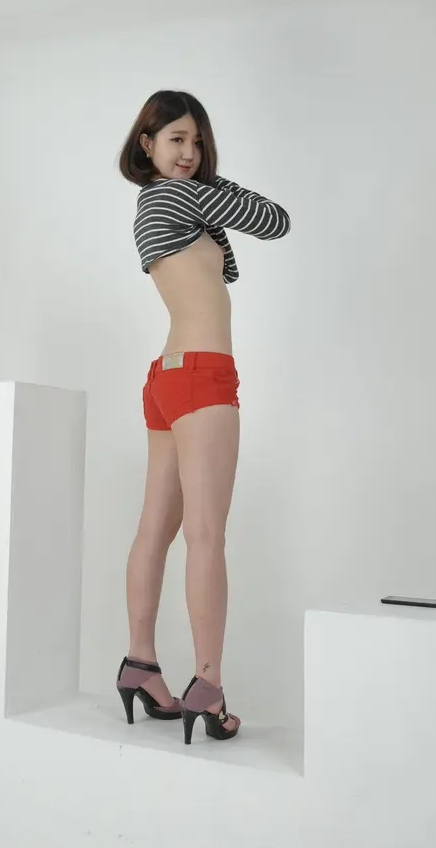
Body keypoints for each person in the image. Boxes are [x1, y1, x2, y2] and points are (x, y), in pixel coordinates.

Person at [116, 90, 290, 745]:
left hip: (166, 375)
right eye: (176, 139)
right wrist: (212, 182)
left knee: (156, 529)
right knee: (206, 534)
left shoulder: (154, 203)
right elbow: (274, 220)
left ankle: (140, 663)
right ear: (147, 144)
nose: (189, 153)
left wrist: (206, 186)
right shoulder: (181, 196)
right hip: (202, 374)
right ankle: (208, 687)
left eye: (197, 141)